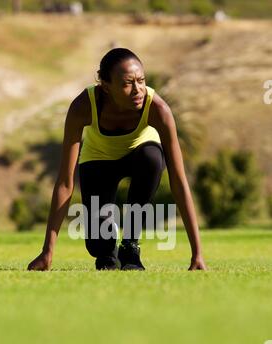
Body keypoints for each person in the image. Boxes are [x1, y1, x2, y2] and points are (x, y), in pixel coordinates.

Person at [28, 48, 207, 271]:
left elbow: (179, 181)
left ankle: (130, 247)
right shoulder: (82, 107)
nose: (137, 90)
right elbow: (65, 182)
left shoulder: (158, 109)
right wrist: (47, 252)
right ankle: (107, 251)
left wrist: (197, 254)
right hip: (98, 160)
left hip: (141, 154)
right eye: (127, 83)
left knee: (151, 158)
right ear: (106, 86)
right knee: (99, 247)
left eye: (141, 80)